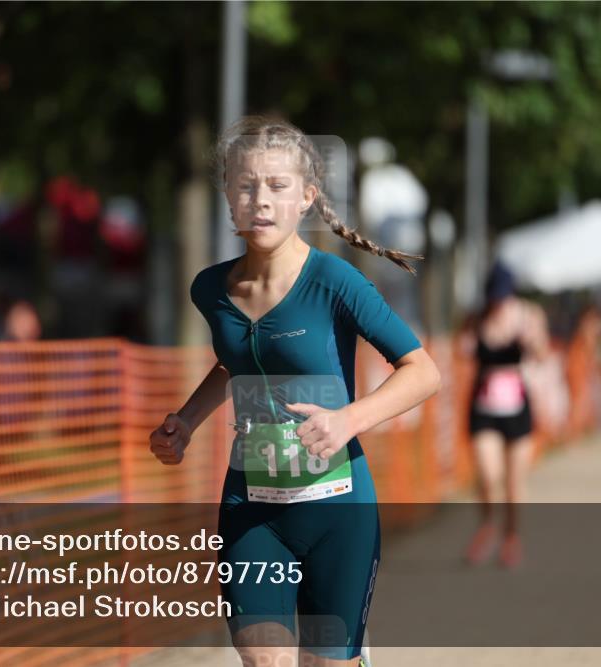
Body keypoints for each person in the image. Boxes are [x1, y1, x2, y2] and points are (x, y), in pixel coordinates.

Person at [148, 116, 441, 667]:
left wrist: (348, 420)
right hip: (252, 509)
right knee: (266, 661)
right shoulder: (210, 288)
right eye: (246, 185)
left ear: (306, 197)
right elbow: (236, 364)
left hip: (337, 511)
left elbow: (422, 371)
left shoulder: (336, 282)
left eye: (277, 187)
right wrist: (186, 421)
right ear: (228, 196)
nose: (260, 200)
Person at [461, 261, 549, 570]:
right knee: (487, 474)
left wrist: (532, 340)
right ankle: (487, 525)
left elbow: (542, 355)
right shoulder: (478, 318)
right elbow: (464, 349)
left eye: (502, 296)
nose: (498, 302)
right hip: (484, 406)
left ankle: (511, 536)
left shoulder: (529, 315)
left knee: (514, 483)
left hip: (517, 406)